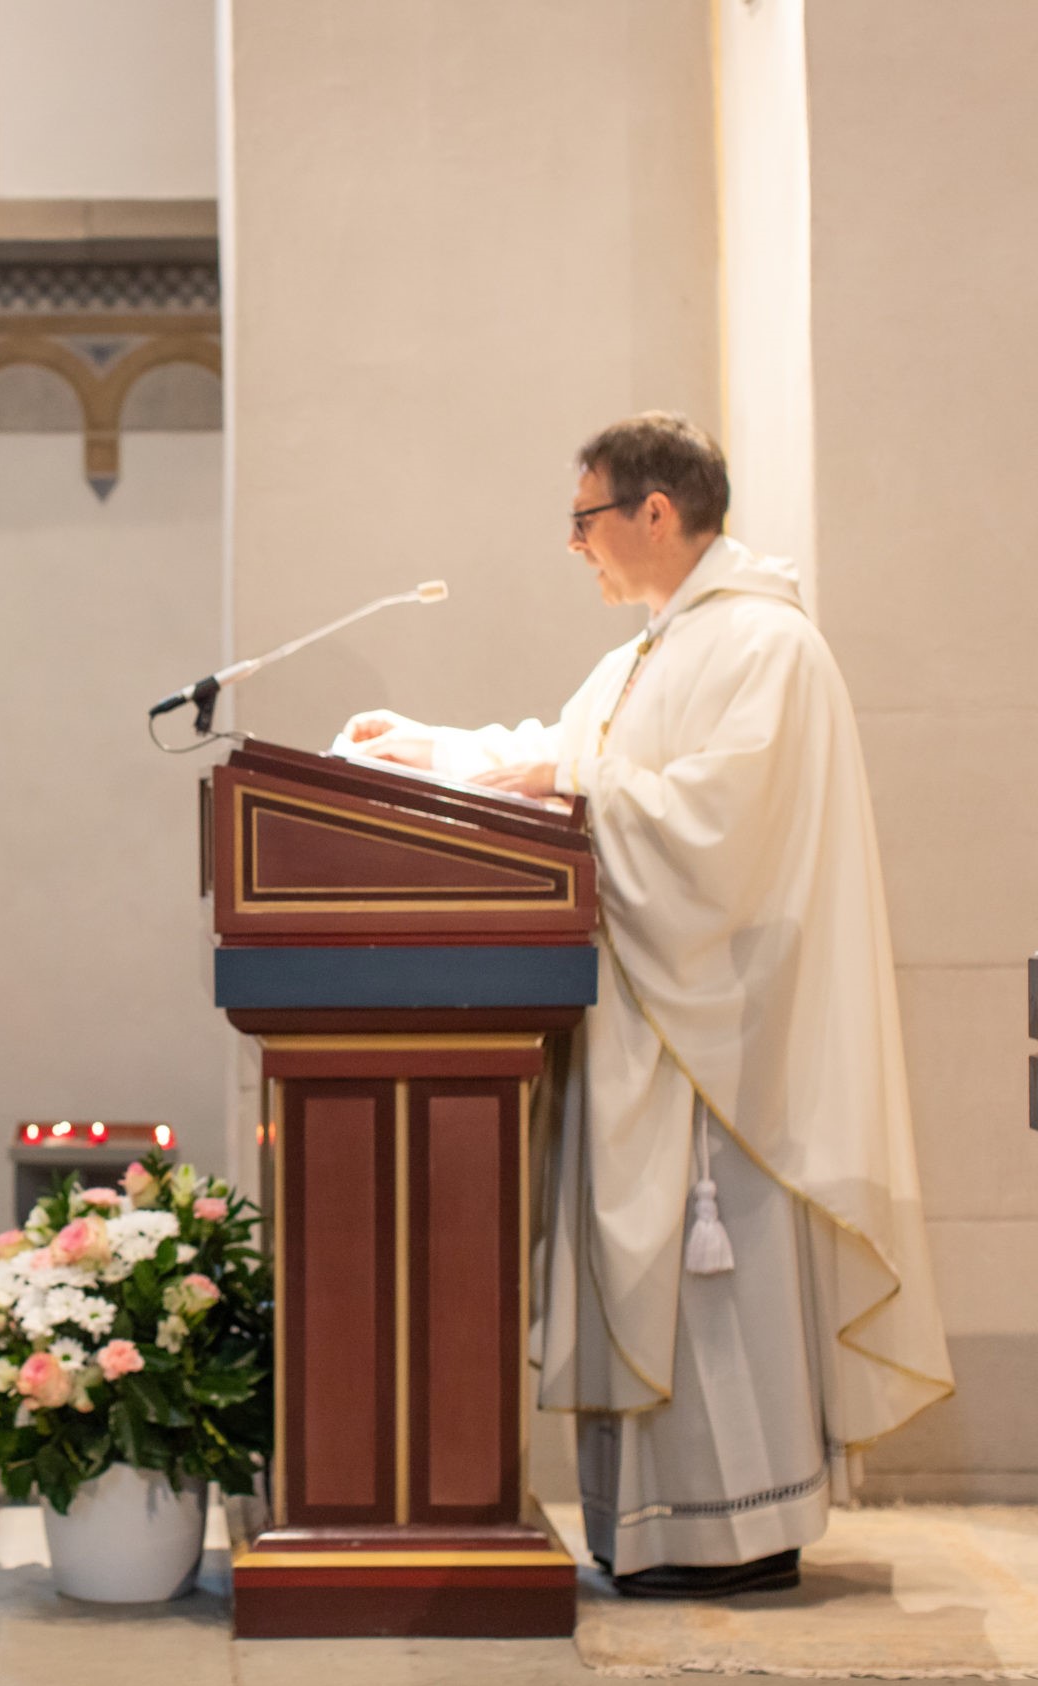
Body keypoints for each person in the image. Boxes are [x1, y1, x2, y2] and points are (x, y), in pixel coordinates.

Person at [337, 413, 952, 1598]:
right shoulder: (648, 654)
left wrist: (560, 776)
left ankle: (737, 1533)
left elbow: (716, 830)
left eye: (584, 519)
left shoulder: (766, 647)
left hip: (722, 1047)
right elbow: (560, 755)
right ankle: (648, 1527)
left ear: (653, 513)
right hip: (644, 1030)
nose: (575, 547)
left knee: (717, 1296)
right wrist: (435, 749)